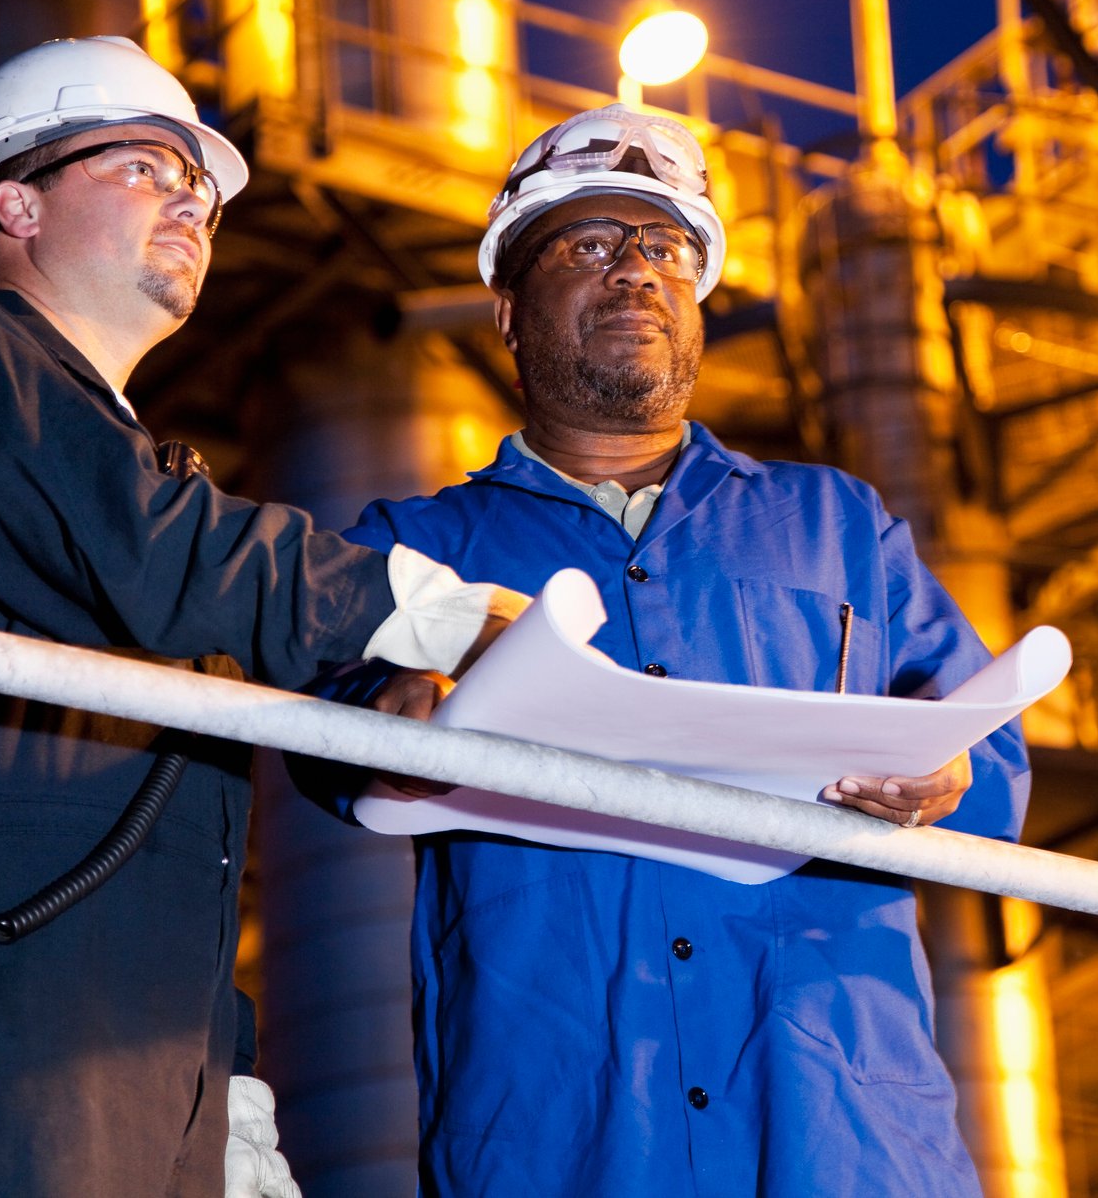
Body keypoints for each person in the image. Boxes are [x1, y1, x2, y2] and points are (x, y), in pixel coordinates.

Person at [0, 36, 522, 1198]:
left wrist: (226, 1090)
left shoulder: (139, 487)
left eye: (202, 188)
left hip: (135, 1042)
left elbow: (168, 813)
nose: (193, 203)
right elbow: (152, 551)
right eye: (149, 167)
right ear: (15, 199)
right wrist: (421, 611)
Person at [308, 105, 1031, 1195]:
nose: (638, 271)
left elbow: (997, 768)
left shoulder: (836, 524)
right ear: (507, 307)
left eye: (667, 249)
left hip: (841, 1134)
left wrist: (950, 772)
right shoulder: (415, 546)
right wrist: (394, 717)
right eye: (590, 245)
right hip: (568, 1137)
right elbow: (315, 739)